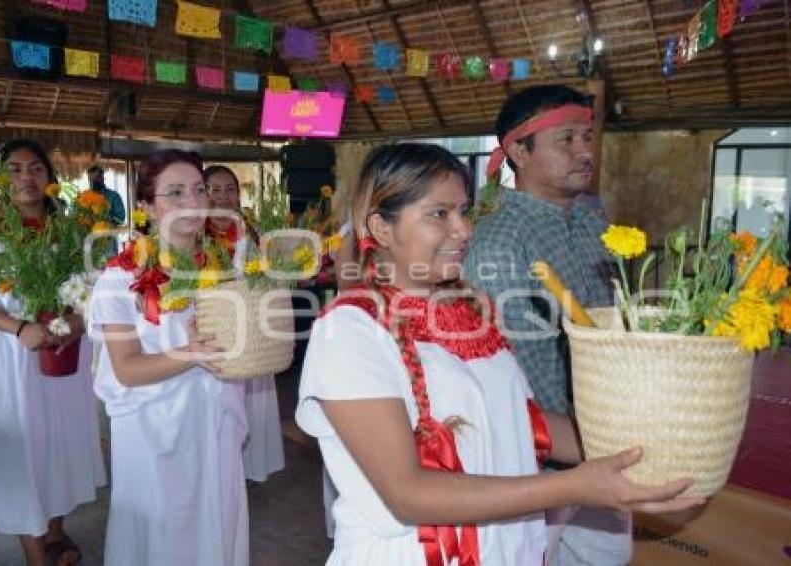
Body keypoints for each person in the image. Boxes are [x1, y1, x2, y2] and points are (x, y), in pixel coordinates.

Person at [296, 143, 703, 565]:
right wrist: (576, 487)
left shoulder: (471, 310)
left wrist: (636, 449)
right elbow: (408, 493)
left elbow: (521, 421)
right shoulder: (349, 331)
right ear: (381, 228)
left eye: (464, 211)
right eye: (439, 214)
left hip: (509, 546)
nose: (465, 230)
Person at [464, 85, 627, 564]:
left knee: (606, 556)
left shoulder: (595, 221)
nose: (585, 151)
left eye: (587, 136)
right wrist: (568, 448)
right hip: (541, 458)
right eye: (566, 140)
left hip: (603, 435)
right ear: (519, 151)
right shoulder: (497, 240)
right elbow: (506, 371)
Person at [0, 139, 105, 565]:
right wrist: (19, 328)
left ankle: (54, 532)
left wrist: (77, 321)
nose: (26, 178)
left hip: (65, 350)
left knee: (61, 443)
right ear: (0, 179)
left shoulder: (74, 231)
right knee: (19, 450)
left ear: (50, 179)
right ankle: (36, 553)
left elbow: (95, 286)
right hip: (7, 355)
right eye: (14, 170)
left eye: (35, 169)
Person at [89, 150, 248, 565]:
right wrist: (189, 354)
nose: (192, 203)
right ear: (146, 205)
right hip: (153, 428)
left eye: (199, 191)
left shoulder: (223, 265)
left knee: (217, 523)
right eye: (174, 193)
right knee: (164, 534)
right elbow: (126, 369)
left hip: (214, 418)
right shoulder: (118, 278)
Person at [204, 164, 285, 483]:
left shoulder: (253, 230)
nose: (224, 196)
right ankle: (223, 469)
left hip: (254, 335)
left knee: (254, 398)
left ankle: (250, 467)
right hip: (218, 328)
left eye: (231, 189)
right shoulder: (195, 232)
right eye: (215, 189)